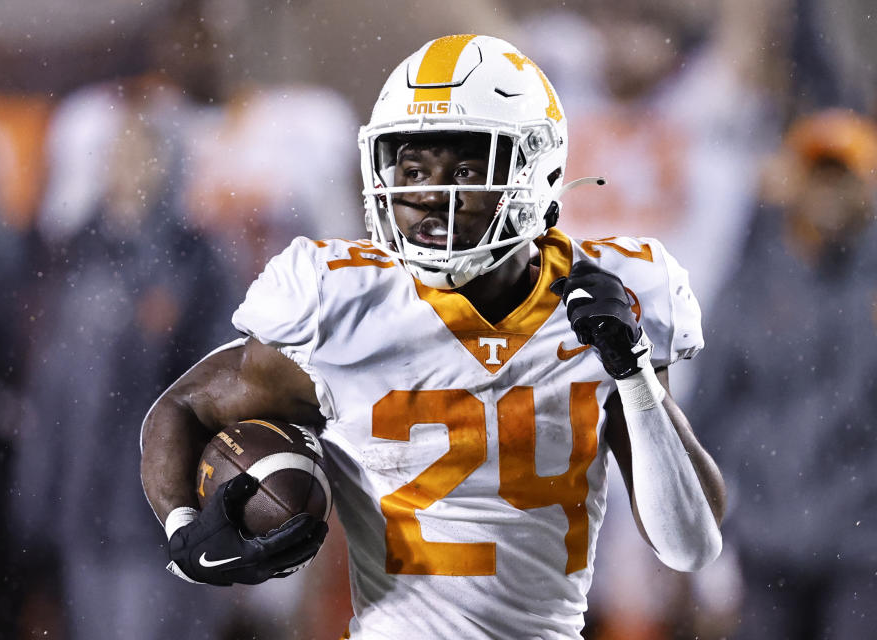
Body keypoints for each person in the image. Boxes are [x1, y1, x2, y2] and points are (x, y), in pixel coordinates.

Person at [140, 34, 726, 639]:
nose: (428, 196)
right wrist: (185, 526)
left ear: (536, 174)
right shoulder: (339, 304)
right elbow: (183, 406)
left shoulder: (606, 300)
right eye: (413, 168)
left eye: (466, 169)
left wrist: (632, 372)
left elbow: (688, 545)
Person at [689, 109, 877, 640]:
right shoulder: (754, 280)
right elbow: (709, 413)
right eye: (818, 176)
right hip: (769, 540)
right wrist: (709, 549)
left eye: (843, 178)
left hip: (865, 545)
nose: (829, 193)